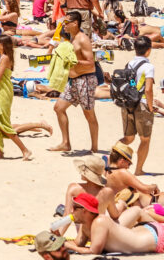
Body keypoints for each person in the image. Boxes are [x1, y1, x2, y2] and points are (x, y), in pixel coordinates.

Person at [38, 195, 164, 256]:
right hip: (146, 230)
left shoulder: (100, 222)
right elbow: (78, 243)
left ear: (85, 211)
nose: (71, 211)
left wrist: (65, 244)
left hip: (158, 238)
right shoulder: (85, 224)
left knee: (138, 211)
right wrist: (59, 238)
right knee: (137, 210)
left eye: (75, 208)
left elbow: (93, 252)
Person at [50, 11, 100, 154]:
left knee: (89, 115)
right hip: (72, 81)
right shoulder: (71, 38)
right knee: (59, 108)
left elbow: (91, 63)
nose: (64, 25)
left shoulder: (83, 39)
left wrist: (73, 61)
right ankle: (65, 143)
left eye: (66, 23)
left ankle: (94, 148)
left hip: (85, 80)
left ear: (75, 23)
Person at [0, 34, 32, 161]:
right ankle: (0, 153)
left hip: (3, 93)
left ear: (3, 45)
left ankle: (25, 150)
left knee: (3, 123)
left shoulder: (6, 58)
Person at [118, 35, 155, 175]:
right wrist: (150, 108)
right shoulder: (148, 67)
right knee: (145, 139)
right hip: (142, 105)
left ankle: (112, 156)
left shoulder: (129, 64)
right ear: (149, 50)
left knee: (128, 138)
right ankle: (138, 170)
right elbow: (148, 89)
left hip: (127, 103)